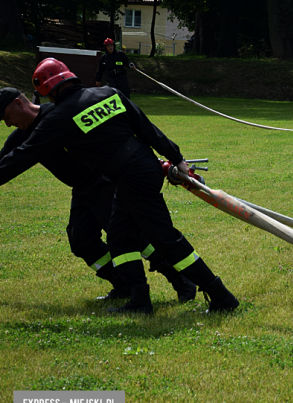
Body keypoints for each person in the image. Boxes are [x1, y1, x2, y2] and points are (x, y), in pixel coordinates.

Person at [0, 59, 239, 314]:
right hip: (141, 168)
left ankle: (219, 294)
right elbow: (146, 128)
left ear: (48, 90)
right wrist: (176, 159)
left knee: (165, 239)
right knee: (119, 237)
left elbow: (21, 157)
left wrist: (176, 161)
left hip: (128, 176)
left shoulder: (59, 117)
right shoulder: (109, 94)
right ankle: (139, 301)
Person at [0, 87, 197, 303]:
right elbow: (6, 162)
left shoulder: (58, 116)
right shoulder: (21, 135)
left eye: (6, 116)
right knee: (81, 240)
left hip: (103, 183)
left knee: (132, 239)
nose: (7, 123)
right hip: (82, 189)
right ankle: (122, 284)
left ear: (19, 104)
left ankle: (180, 279)